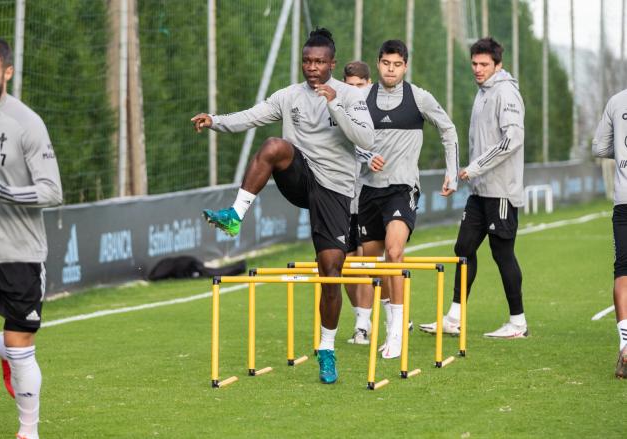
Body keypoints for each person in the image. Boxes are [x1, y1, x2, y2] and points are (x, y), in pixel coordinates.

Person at [191, 28, 375, 384]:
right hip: (301, 178)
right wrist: (215, 121)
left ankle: (326, 349)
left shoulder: (351, 95)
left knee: (331, 274)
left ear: (332, 64)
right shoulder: (288, 96)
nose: (312, 67)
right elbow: (250, 116)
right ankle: (234, 216)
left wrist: (333, 102)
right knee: (275, 144)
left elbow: (366, 138)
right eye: (307, 60)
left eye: (320, 61)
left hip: (335, 190)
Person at [0, 38, 63, 439]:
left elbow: (52, 191)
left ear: (7, 72)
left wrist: (6, 192)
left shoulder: (27, 123)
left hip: (20, 254)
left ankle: (28, 432)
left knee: (21, 344)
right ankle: (0, 348)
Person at [357, 39, 459, 359]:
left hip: (402, 188)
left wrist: (452, 171)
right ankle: (392, 324)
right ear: (378, 64)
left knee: (394, 251)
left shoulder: (419, 97)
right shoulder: (362, 98)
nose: (391, 69)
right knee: (377, 264)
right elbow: (344, 135)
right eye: (386, 63)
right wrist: (365, 154)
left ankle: (397, 334)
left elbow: (448, 129)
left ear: (405, 65)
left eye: (397, 64)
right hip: (369, 191)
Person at [419, 37, 527, 339]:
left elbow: (511, 140)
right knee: (463, 248)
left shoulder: (505, 92)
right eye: (474, 64)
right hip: (480, 191)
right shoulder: (483, 92)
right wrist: (461, 174)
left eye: (484, 64)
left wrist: (475, 166)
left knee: (502, 252)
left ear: (498, 65)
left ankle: (518, 322)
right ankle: (454, 318)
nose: (478, 69)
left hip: (501, 190)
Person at [342, 61, 381, 345]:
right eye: (350, 85)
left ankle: (366, 324)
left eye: (359, 85)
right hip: (343, 196)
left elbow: (370, 146)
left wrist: (370, 157)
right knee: (342, 264)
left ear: (368, 84)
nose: (355, 91)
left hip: (371, 196)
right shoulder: (340, 109)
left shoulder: (376, 110)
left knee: (368, 262)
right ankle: (361, 318)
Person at [591, 88, 627, 378]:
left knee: (623, 274)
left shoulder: (617, 100)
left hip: (624, 200)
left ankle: (626, 346)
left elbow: (599, 148)